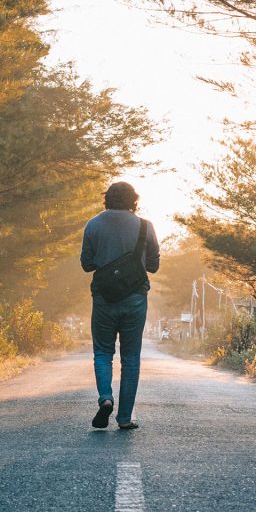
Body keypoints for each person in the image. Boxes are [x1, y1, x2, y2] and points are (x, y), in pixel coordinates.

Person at [80, 182, 159, 430]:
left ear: (106, 199)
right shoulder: (145, 226)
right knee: (131, 357)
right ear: (134, 200)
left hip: (104, 298)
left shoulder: (93, 225)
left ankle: (105, 397)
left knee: (103, 353)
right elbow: (154, 266)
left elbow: (87, 264)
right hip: (135, 299)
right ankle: (124, 418)